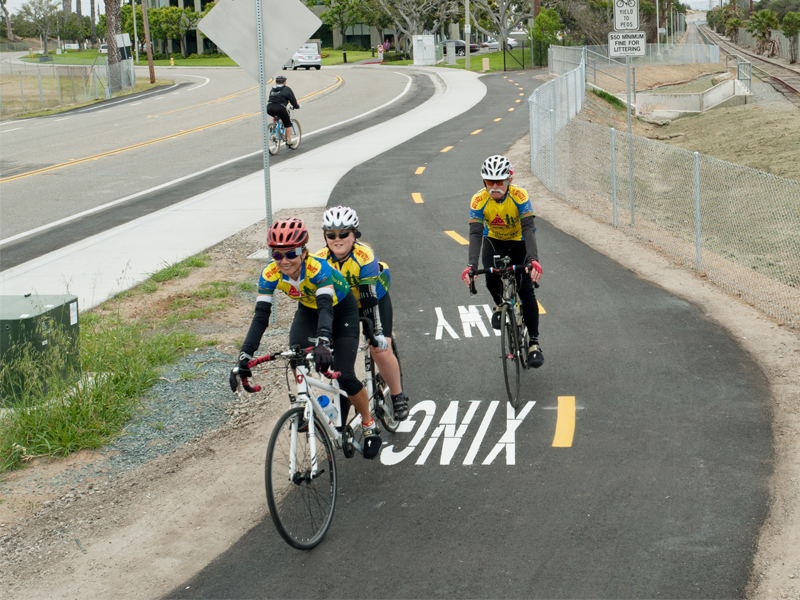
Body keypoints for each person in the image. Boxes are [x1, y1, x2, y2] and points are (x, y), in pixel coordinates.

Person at [231, 218, 383, 459]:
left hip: (341, 308)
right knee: (296, 355)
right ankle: (321, 403)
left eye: (290, 254)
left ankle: (368, 424)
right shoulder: (270, 273)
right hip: (308, 310)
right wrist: (244, 355)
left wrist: (323, 341)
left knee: (344, 373)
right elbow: (261, 317)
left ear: (303, 251)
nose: (284, 261)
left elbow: (326, 307)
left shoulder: (317, 268)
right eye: (277, 255)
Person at [313, 206, 410, 421]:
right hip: (343, 305)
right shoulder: (318, 260)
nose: (337, 239)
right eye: (331, 235)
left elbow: (368, 299)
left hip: (373, 298)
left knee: (380, 350)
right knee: (338, 358)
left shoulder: (365, 255)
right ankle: (347, 398)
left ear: (354, 234)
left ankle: (397, 395)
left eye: (344, 234)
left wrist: (375, 332)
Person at [462, 155, 544, 368]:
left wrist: (533, 260)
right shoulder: (478, 200)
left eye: (501, 181)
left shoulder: (520, 196)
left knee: (526, 289)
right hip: (494, 241)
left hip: (520, 241)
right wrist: (471, 266)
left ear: (510, 180)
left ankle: (534, 343)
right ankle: (500, 305)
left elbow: (528, 227)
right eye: (490, 182)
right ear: (484, 182)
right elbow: (475, 234)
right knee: (490, 277)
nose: (495, 186)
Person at [267, 75, 300, 143]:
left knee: (275, 115)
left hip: (269, 107)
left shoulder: (272, 89)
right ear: (285, 82)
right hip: (280, 108)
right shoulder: (287, 89)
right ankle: (288, 140)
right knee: (288, 123)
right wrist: (296, 106)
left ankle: (274, 129)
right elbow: (293, 100)